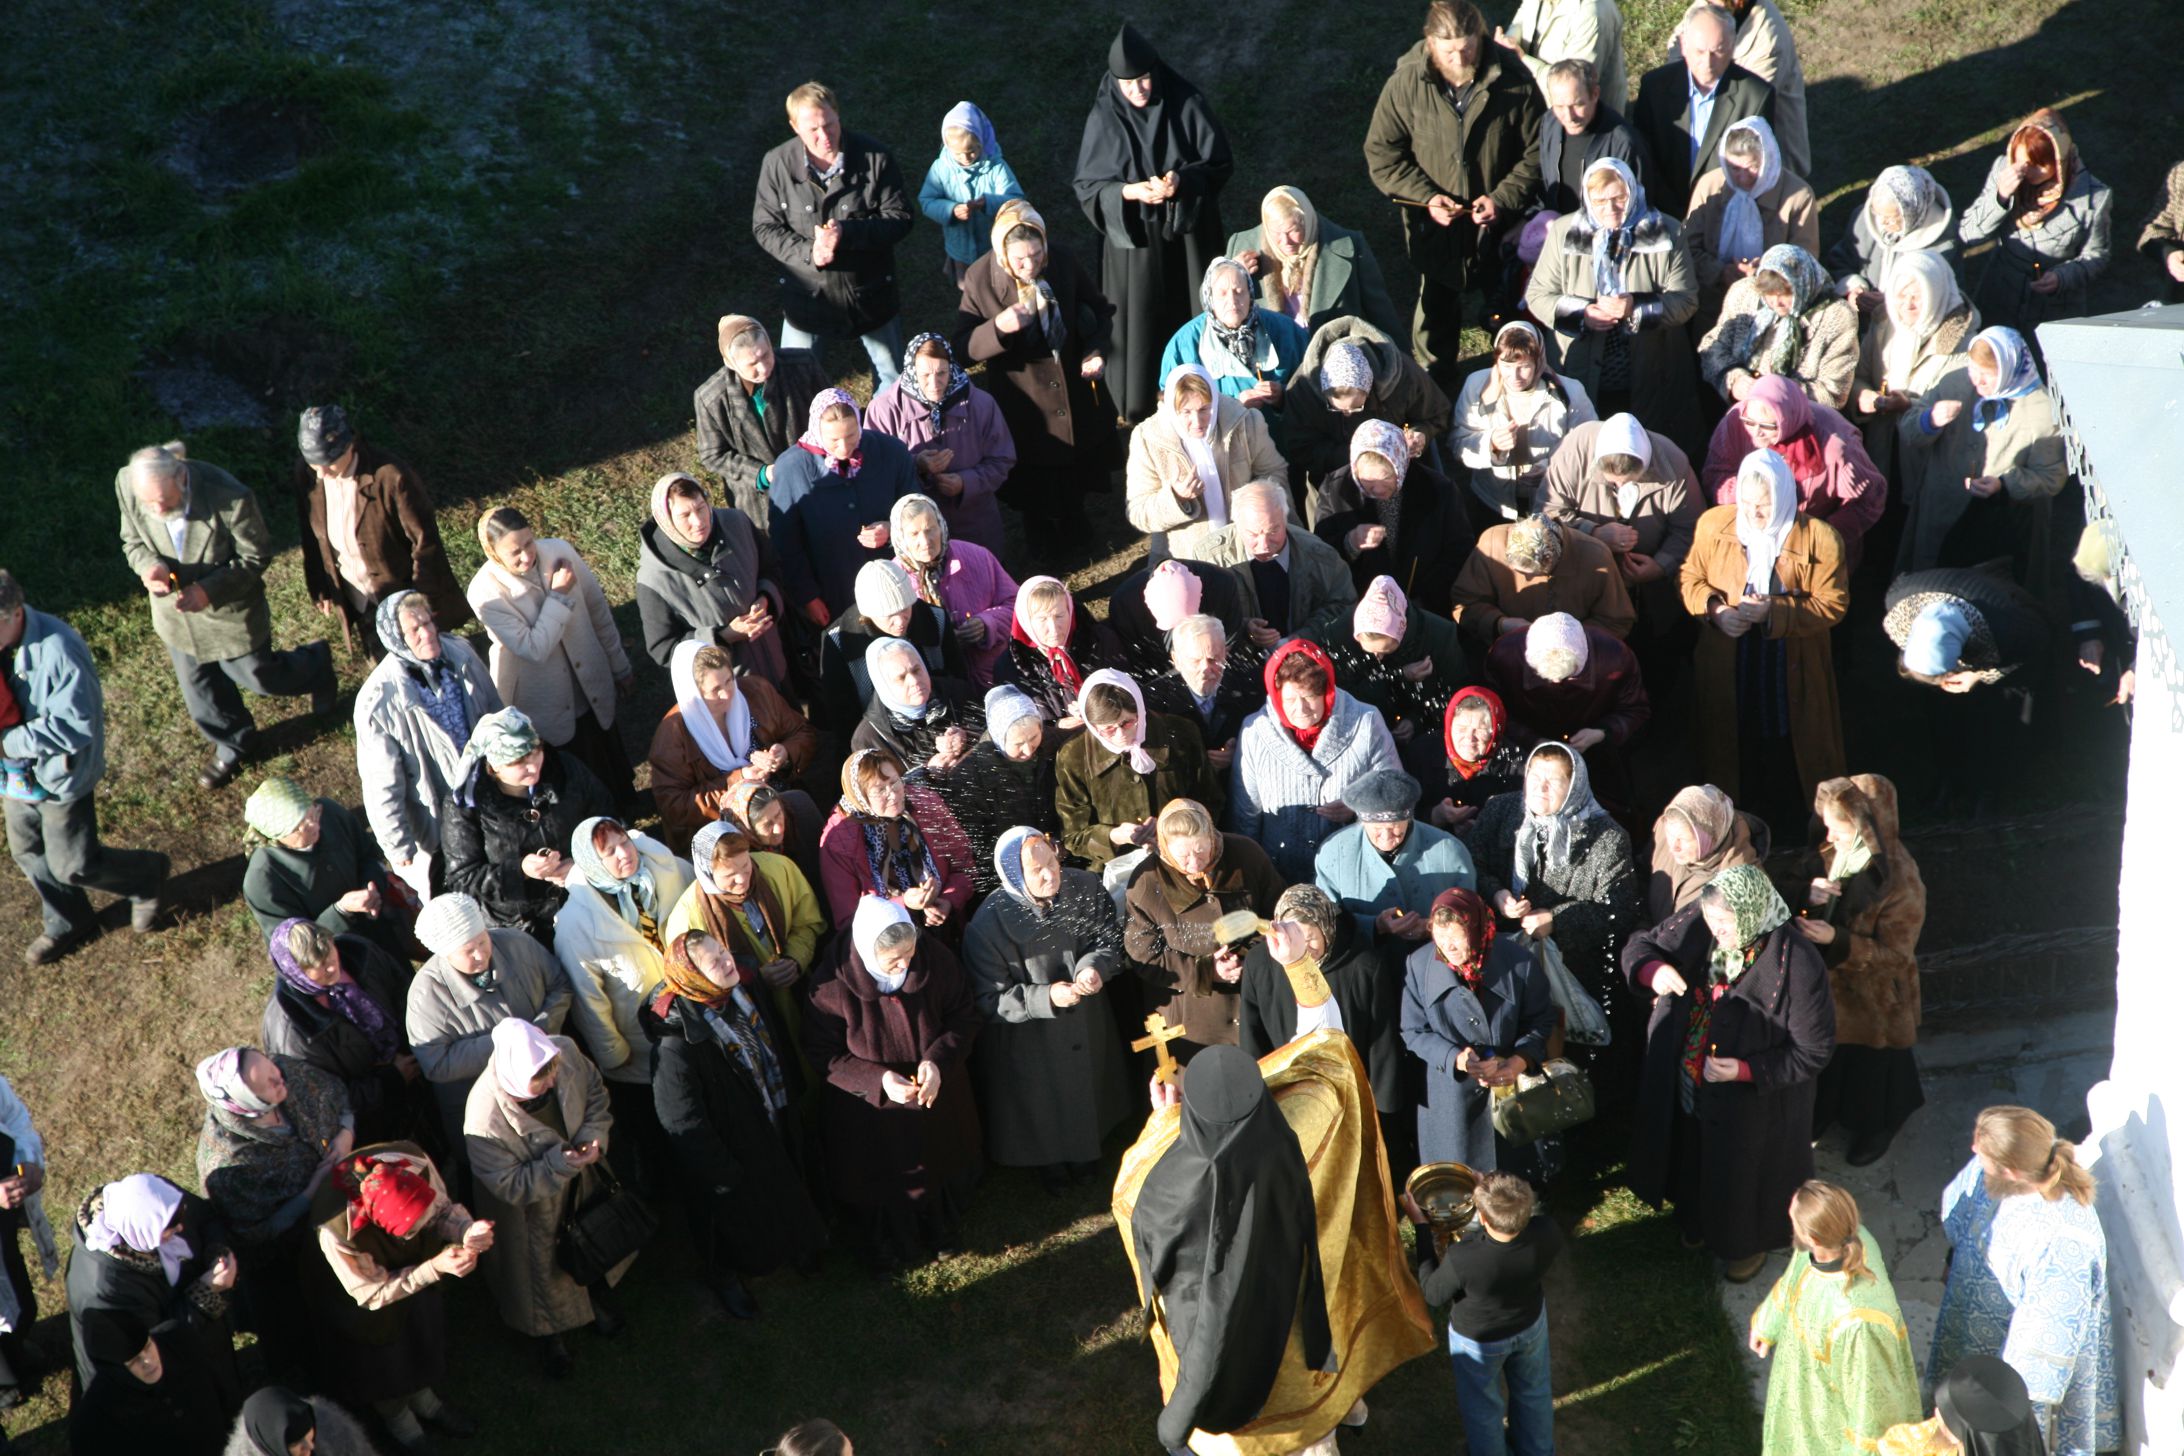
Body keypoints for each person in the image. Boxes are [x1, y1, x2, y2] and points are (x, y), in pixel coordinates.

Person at [1117, 1038, 1431, 1454]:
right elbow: (1330, 1058)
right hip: (1305, 1321)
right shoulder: (1306, 1122)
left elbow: (1129, 1202)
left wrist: (1164, 1121)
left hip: (1238, 1360)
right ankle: (1344, 1411)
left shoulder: (1162, 1187)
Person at [1622, 864, 1834, 1281]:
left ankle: (1743, 1246)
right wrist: (1653, 970)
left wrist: (1745, 1070)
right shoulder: (1702, 920)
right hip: (1691, 1076)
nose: (1716, 930)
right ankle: (1695, 1221)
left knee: (1742, 1178)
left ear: (1752, 913)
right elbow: (1641, 945)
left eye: (1725, 922)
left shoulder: (1798, 963)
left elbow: (1814, 1050)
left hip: (1756, 1105)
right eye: (1711, 919)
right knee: (1693, 1152)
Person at [1124, 1042, 1330, 1452]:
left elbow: (1135, 1205)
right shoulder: (1281, 1142)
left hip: (1202, 1294)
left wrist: (1162, 1124)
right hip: (1278, 1281)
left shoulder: (1175, 1180)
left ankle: (1184, 1431)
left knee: (1216, 1362)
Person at [115, 443, 337, 790]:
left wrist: (209, 591)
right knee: (201, 693)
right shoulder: (128, 483)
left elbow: (256, 555)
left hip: (229, 613)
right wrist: (149, 567)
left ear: (182, 478)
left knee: (260, 677)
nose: (156, 509)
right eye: (149, 503)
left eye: (164, 502)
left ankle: (316, 666)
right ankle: (235, 742)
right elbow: (132, 541)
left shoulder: (230, 498)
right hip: (177, 618)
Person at [644, 928, 824, 1318]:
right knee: (732, 1221)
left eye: (723, 951)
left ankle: (796, 1243)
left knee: (784, 1186)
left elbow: (774, 1043)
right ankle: (725, 1276)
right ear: (692, 976)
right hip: (730, 1149)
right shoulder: (675, 1047)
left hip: (769, 1117)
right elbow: (683, 1122)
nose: (727, 961)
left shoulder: (743, 990)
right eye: (715, 961)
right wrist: (723, 1173)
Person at [1364, 0, 1545, 382]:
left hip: (1500, 233)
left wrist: (1503, 199)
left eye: (1468, 48)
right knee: (1434, 323)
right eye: (1449, 52)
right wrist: (1426, 197)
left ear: (1480, 35)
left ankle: (1516, 387)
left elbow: (1537, 152)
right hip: (1435, 233)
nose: (1460, 59)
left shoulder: (1514, 81)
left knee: (1509, 319)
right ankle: (1435, 395)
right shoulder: (1407, 84)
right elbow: (1382, 154)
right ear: (1430, 43)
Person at [804, 896, 984, 1268]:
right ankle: (888, 1241)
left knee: (938, 1158)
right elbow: (823, 1053)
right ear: (867, 952)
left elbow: (963, 1016)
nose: (905, 965)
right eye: (893, 961)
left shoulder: (936, 959)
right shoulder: (829, 986)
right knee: (882, 1176)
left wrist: (937, 1061)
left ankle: (940, 1227)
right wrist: (879, 1079)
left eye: (910, 954)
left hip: (934, 1092)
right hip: (869, 1109)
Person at [0, 570, 169, 964]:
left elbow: (76, 727)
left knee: (73, 865)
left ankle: (146, 875)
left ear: (15, 613)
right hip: (15, 777)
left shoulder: (61, 651)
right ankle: (69, 920)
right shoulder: (7, 640)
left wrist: (6, 743)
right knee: (27, 849)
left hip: (60, 775)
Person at [1931, 1106, 2120, 1456]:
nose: (1974, 1151)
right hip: (1972, 1324)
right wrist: (1951, 1260)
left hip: (2011, 1374)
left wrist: (1995, 1409)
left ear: (2012, 1170)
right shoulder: (1987, 1171)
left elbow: (2037, 1364)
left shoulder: (2065, 1243)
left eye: (1983, 1152)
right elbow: (1961, 1218)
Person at [1073, 23, 1235, 424]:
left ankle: (1203, 392)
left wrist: (1181, 180)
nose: (1138, 90)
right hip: (1137, 243)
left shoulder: (1185, 101)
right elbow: (1089, 186)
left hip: (1188, 236)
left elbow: (1217, 162)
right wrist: (1130, 192)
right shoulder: (1105, 116)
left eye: (1144, 79)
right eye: (1128, 84)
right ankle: (1140, 402)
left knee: (1192, 308)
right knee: (1140, 318)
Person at [1680, 448, 1849, 814]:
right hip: (1730, 656)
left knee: (1790, 740)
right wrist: (1716, 611)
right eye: (1745, 503)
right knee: (1732, 734)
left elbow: (1833, 605)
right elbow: (1691, 578)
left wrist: (1775, 611)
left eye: (1763, 505)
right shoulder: (1713, 524)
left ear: (1784, 496)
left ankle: (1797, 820)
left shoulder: (1821, 538)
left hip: (1790, 661)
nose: (1753, 514)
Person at [964, 828, 1130, 1190]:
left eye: (1052, 863)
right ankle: (1049, 1161)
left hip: (1085, 1022)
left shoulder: (1085, 887)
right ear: (1014, 876)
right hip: (1030, 1038)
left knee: (1086, 1084)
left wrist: (1094, 967)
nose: (1049, 875)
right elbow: (988, 1000)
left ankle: (1087, 1154)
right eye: (1036, 870)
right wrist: (1046, 998)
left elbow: (1109, 940)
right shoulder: (987, 925)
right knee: (1041, 1098)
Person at [953, 198, 1117, 554]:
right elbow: (961, 348)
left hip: (1072, 390)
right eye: (1020, 260)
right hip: (1023, 400)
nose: (1030, 266)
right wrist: (998, 327)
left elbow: (1100, 311)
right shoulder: (980, 278)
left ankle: (1075, 522)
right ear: (1002, 254)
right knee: (1034, 476)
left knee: (1073, 468)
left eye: (1037, 255)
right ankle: (1039, 533)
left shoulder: (1063, 261)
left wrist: (1095, 350)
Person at [464, 1019, 625, 1379]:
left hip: (582, 1186)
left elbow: (595, 1093)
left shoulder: (563, 1051)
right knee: (542, 1277)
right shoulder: (483, 1119)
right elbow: (509, 1185)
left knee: (589, 1244)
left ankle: (592, 1303)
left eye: (552, 1073)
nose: (551, 1083)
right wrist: (560, 1164)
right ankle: (549, 1336)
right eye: (539, 1081)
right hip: (531, 1215)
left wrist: (593, 1135)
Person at [305, 1145, 486, 1451]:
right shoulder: (336, 1231)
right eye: (414, 1229)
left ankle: (426, 1401)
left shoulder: (413, 1163)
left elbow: (440, 1212)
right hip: (361, 1300)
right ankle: (401, 1422)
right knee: (384, 1364)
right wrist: (433, 1268)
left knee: (418, 1336)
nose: (426, 1227)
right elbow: (372, 1293)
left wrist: (466, 1231)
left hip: (411, 1273)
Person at [193, 1047, 355, 1379]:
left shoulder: (287, 1072)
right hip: (296, 1253)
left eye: (270, 1068)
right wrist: (310, 1193)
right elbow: (255, 1232)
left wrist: (346, 1133)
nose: (279, 1078)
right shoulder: (228, 1166)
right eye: (266, 1083)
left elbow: (339, 1096)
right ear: (246, 1104)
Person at [1471, 743, 1640, 1047]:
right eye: (1535, 777)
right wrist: (1496, 894)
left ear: (1574, 786)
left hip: (1570, 970)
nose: (1541, 787)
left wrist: (1556, 920)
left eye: (1554, 781)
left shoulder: (1608, 837)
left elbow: (1620, 911)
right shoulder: (1501, 810)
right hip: (1500, 961)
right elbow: (1473, 861)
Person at [553, 817, 691, 1189]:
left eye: (624, 842)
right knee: (665, 1138)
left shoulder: (669, 870)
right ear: (592, 863)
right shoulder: (575, 924)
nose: (624, 854)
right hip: (643, 1046)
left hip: (694, 1016)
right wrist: (614, 1054)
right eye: (609, 852)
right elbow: (589, 1001)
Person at [1793, 774, 1925, 1165]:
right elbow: (1796, 880)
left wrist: (1837, 939)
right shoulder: (1832, 851)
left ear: (1866, 828)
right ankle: (1827, 1113)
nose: (1829, 836)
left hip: (1875, 1001)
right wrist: (1808, 894)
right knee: (1831, 1060)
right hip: (1831, 991)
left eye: (1838, 827)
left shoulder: (1901, 882)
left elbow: (1896, 956)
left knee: (1874, 1072)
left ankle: (1879, 1125)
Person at [1523, 157, 1700, 445]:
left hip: (1652, 366)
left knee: (1646, 446)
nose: (1610, 208)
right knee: (1584, 447)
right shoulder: (1564, 231)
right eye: (1599, 200)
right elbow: (1538, 294)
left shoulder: (1666, 231)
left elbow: (1686, 300)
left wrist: (1636, 308)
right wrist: (1581, 314)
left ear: (1632, 191)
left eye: (1619, 198)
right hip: (1578, 365)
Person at [468, 507, 635, 805]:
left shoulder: (559, 551)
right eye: (515, 552)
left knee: (612, 766)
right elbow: (534, 648)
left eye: (529, 543)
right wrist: (558, 595)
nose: (527, 556)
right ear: (493, 553)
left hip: (589, 684)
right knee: (574, 780)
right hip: (545, 700)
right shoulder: (485, 593)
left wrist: (619, 665)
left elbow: (597, 610)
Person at [751, 81, 911, 385]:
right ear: (794, 126)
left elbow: (900, 217)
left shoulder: (876, 158)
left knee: (892, 383)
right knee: (793, 384)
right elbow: (765, 227)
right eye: (813, 130)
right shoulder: (776, 164)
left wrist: (847, 233)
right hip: (806, 298)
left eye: (830, 125)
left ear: (838, 115)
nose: (824, 136)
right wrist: (808, 253)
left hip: (870, 293)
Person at [1241, 885, 1414, 1166]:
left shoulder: (1364, 966)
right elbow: (1252, 1035)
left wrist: (1384, 1114)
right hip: (1286, 1100)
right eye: (1293, 938)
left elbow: (1382, 1046)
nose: (1302, 949)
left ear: (1327, 928)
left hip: (1348, 1101)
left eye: (1310, 938)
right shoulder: (1259, 963)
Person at [1748, 1181, 1923, 1456]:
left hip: (1827, 1417)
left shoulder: (1858, 1324)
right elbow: (1793, 1279)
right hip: (1801, 1381)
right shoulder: (1838, 1239)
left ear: (1814, 1238)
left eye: (1793, 1220)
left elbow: (1871, 1413)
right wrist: (1768, 1323)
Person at [353, 590, 501, 899]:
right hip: (441, 816)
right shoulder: (378, 702)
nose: (428, 633)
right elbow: (382, 784)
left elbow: (495, 713)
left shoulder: (460, 653)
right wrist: (397, 844)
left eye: (428, 622)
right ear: (396, 638)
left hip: (491, 792)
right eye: (415, 629)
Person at [291, 404, 470, 660]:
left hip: (402, 594)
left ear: (349, 445)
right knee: (388, 671)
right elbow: (310, 532)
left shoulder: (390, 477)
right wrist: (319, 583)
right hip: (360, 599)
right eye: (314, 464)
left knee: (430, 664)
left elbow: (425, 542)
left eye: (329, 463)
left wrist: (422, 602)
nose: (322, 473)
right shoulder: (307, 474)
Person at [1407, 1169, 1564, 1456]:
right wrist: (1491, 1195)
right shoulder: (1547, 1231)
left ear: (1482, 1218)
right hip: (1529, 1325)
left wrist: (1421, 1227)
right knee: (1533, 1393)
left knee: (1483, 1408)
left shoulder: (1464, 1257)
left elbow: (1433, 1293)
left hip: (1479, 1341)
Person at [1401, 885, 1556, 1176]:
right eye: (1440, 935)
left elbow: (1540, 1019)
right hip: (1450, 1099)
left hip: (1511, 1092)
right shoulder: (1418, 965)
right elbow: (1413, 1030)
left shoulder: (1519, 962)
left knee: (1513, 1184)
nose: (1447, 946)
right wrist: (1455, 1058)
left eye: (1456, 935)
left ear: (1474, 930)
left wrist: (1519, 1061)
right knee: (1457, 1183)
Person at [1894, 326, 2067, 583]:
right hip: (1942, 512)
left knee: (1990, 595)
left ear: (2008, 369)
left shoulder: (2041, 410)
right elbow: (1910, 428)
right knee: (1930, 586)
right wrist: (1929, 420)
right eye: (1974, 370)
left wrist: (2005, 484)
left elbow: (2051, 477)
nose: (1977, 381)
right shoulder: (1954, 382)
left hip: (2003, 530)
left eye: (1987, 374)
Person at [404, 891, 572, 1147]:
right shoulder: (426, 995)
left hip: (549, 1081)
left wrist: (538, 1032)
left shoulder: (518, 944)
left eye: (483, 941)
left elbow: (560, 984)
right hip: (491, 1111)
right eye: (468, 951)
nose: (481, 955)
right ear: (446, 955)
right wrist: (508, 1045)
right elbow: (436, 1063)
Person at [1123, 797, 1284, 1055]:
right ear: (1164, 847)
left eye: (1201, 851)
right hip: (1192, 1016)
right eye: (1183, 856)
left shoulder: (1247, 855)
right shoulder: (1146, 883)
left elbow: (1277, 915)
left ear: (1212, 837)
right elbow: (1144, 954)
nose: (1195, 863)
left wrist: (1247, 958)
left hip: (1254, 998)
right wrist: (1207, 972)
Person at [439, 707, 612, 945]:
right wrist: (519, 871)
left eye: (535, 752)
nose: (533, 766)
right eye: (519, 761)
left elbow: (607, 822)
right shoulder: (465, 805)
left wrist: (583, 862)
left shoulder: (566, 770)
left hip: (587, 901)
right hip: (522, 929)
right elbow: (462, 880)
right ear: (495, 766)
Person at [1232, 639, 1401, 881]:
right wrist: (1250, 877)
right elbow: (1245, 814)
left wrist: (1358, 808)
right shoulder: (1255, 731)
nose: (1301, 709)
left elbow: (1395, 796)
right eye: (1290, 700)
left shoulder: (1366, 721)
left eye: (1310, 696)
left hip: (1350, 871)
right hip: (1278, 874)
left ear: (1326, 692)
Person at [660, 822, 828, 1054]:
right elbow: (697, 986)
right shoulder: (686, 919)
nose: (742, 879)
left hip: (807, 994)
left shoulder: (779, 869)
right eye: (729, 875)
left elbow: (808, 921)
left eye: (746, 866)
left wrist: (796, 958)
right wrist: (754, 979)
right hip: (749, 1027)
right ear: (707, 873)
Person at [260, 918, 428, 1148]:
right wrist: (391, 1080)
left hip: (419, 1063)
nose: (332, 969)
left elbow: (403, 991)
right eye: (320, 967)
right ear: (296, 972)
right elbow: (322, 1096)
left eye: (331, 957)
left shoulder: (361, 954)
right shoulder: (292, 1030)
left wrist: (416, 1043)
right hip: (376, 1117)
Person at [65, 1173, 236, 1398]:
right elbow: (157, 1344)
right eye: (170, 1226)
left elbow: (204, 1217)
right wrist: (206, 1293)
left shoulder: (156, 1202)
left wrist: (217, 1252)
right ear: (142, 1232)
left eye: (180, 1214)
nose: (181, 1227)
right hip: (160, 1384)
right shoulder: (108, 1289)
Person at [768, 389, 921, 626]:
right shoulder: (791, 468)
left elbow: (917, 507)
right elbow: (785, 542)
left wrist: (893, 529)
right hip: (834, 589)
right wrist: (808, 596)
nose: (844, 448)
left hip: (896, 580)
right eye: (833, 440)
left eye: (851, 435)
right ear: (817, 431)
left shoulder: (891, 451)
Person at [1958, 108, 2112, 340]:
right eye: (2021, 160)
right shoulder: (2004, 171)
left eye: (2039, 164)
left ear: (2058, 160)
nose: (2026, 171)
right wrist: (2000, 197)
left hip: (2053, 309)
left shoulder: (2094, 198)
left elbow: (2097, 255)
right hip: (2000, 297)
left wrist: (2062, 277)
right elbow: (1967, 235)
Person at [648, 640, 816, 852]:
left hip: (780, 810)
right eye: (715, 690)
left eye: (729, 680)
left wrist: (785, 753)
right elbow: (674, 805)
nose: (727, 694)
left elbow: (803, 732)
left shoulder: (757, 692)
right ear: (694, 693)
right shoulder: (672, 736)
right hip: (727, 840)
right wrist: (739, 781)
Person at [1539, 413, 1700, 631]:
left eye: (1628, 481)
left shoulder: (1673, 463)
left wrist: (1661, 565)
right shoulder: (1574, 451)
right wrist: (1593, 533)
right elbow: (1547, 515)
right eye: (1613, 482)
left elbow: (1690, 528)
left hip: (1650, 592)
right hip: (1582, 579)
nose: (1620, 487)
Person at [1701, 373, 1886, 562]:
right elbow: (1715, 475)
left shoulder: (1834, 444)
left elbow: (1870, 498)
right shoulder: (1737, 421)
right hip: (1751, 544)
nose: (1756, 433)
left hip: (1813, 552)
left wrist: (1820, 535)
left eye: (1767, 426)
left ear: (1787, 419)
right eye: (1750, 422)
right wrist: (1753, 498)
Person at [863, 335, 1018, 556]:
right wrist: (916, 465)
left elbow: (1002, 459)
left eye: (942, 373)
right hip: (916, 536)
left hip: (975, 527)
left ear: (951, 367)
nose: (934, 384)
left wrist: (966, 482)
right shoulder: (883, 411)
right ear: (911, 371)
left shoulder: (981, 404)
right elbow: (876, 471)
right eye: (925, 375)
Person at [1057, 669, 1219, 873]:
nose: (1120, 735)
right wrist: (1114, 836)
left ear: (1140, 711)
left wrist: (1176, 827)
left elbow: (1211, 800)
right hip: (1116, 870)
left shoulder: (1181, 734)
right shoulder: (1073, 755)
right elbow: (1073, 836)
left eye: (1127, 723)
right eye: (1108, 729)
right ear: (1093, 726)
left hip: (1184, 861)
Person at [1485, 611, 1650, 810]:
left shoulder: (1616, 657)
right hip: (1525, 751)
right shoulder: (1505, 655)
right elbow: (1493, 713)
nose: (1556, 682)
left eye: (1567, 676)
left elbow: (1635, 709)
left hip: (1597, 752)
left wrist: (1601, 733)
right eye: (1544, 677)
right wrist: (1532, 741)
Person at [1311, 418, 1477, 616]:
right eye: (1368, 481)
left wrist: (1422, 601)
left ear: (1402, 465)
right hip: (1360, 609)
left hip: (1424, 608)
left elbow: (1458, 550)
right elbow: (1320, 552)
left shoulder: (1439, 490)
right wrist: (1350, 543)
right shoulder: (1336, 490)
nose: (1378, 489)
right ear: (1355, 469)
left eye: (1387, 478)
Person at [1125, 364, 1289, 564]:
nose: (1197, 421)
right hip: (1186, 558)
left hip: (1250, 547)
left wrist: (1255, 501)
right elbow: (1138, 512)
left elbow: (1274, 472)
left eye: (1204, 409)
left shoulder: (1245, 422)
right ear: (1172, 409)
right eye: (1186, 412)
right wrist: (1176, 497)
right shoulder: (1148, 439)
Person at [633, 470, 785, 678]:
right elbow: (664, 649)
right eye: (685, 515)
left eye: (701, 508)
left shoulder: (738, 523)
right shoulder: (653, 579)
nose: (698, 521)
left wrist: (765, 599)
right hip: (730, 687)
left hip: (779, 663)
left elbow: (772, 567)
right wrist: (724, 636)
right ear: (665, 520)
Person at [1631, 2, 1776, 218]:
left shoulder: (1756, 96)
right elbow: (1644, 157)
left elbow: (1757, 167)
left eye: (1717, 51)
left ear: (1732, 46)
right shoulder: (1654, 87)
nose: (1707, 63)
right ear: (1683, 45)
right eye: (1699, 51)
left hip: (1724, 214)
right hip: (1662, 214)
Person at [241, 778, 406, 963]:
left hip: (384, 937)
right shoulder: (263, 880)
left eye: (313, 814)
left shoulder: (330, 813)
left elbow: (368, 853)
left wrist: (371, 887)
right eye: (299, 828)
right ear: (277, 836)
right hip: (338, 964)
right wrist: (341, 911)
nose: (314, 826)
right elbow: (292, 948)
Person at [1451, 321, 1599, 528]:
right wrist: (1491, 445)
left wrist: (1551, 468)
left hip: (1551, 504)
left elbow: (1588, 449)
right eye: (1506, 366)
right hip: (1493, 502)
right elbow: (1458, 444)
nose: (1515, 377)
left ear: (1539, 360)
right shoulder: (1476, 386)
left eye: (1525, 366)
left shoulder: (1570, 393)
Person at [1848, 250, 1979, 479]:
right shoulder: (1883, 324)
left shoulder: (1962, 345)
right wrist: (1863, 396)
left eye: (1917, 296)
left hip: (1925, 466)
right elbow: (1859, 377)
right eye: (1900, 295)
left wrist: (1908, 406)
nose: (1907, 305)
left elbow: (1952, 414)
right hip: (1881, 454)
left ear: (1935, 294)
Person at [692, 316, 833, 528]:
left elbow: (832, 410)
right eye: (752, 364)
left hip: (816, 476)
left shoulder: (802, 364)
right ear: (730, 363)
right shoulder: (711, 399)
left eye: (766, 355)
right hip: (760, 501)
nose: (764, 368)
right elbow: (713, 454)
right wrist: (761, 473)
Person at [1287, 316, 1453, 494]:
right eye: (1336, 408)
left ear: (1369, 387)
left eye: (1356, 407)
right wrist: (1358, 457)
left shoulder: (1405, 376)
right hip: (1336, 481)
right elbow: (1300, 447)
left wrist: (1420, 433)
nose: (1347, 414)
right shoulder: (1302, 390)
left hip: (1400, 474)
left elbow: (1437, 413)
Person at [1324, 574, 1470, 773]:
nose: (1377, 656)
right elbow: (1342, 697)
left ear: (1401, 631)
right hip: (1359, 735)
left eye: (1385, 650)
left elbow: (1457, 697)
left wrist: (1417, 721)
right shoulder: (1339, 634)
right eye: (1370, 651)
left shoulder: (1439, 636)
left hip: (1426, 740)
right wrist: (1399, 676)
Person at [820, 747, 975, 933]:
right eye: (880, 790)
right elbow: (848, 919)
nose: (893, 795)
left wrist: (949, 899)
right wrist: (904, 904)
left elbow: (965, 865)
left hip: (948, 927)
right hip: (890, 940)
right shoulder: (840, 840)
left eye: (894, 783)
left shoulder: (926, 803)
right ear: (861, 797)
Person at [1684, 117, 1818, 332]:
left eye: (1752, 168)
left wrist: (1767, 273)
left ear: (1767, 159)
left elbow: (1806, 260)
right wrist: (1721, 272)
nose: (1742, 178)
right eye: (1734, 168)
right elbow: (1688, 249)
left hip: (1773, 312)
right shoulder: (1709, 187)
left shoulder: (1798, 196)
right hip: (1712, 310)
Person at [1315, 767, 1476, 943]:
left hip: (1433, 953)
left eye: (1394, 827)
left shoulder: (1450, 851)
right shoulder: (1334, 854)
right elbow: (1327, 921)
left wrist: (1433, 927)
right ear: (1362, 822)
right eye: (1377, 828)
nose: (1386, 836)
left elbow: (1472, 914)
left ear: (1409, 819)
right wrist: (1375, 925)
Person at [1226, 184, 1403, 341]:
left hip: (1334, 357)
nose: (1286, 242)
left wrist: (1401, 358)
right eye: (1276, 233)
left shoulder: (1351, 246)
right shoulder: (1241, 249)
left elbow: (1380, 311)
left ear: (1308, 221)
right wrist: (1231, 274)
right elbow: (1217, 311)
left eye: (1293, 230)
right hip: (1271, 361)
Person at [1699, 243, 1860, 409]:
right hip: (1742, 411)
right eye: (1769, 294)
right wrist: (1734, 379)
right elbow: (1712, 347)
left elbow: (1834, 392)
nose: (1776, 302)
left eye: (1785, 294)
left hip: (1804, 417)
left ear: (1802, 285)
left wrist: (1777, 391)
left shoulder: (1836, 315)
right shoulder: (1745, 293)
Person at [1452, 512, 1637, 651]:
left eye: (1536, 574)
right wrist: (1500, 624)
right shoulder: (1492, 543)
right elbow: (1466, 604)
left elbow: (1616, 621)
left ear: (1558, 559)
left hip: (1573, 664)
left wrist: (1568, 638)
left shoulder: (1596, 556)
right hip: (1508, 656)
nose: (1528, 579)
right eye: (1519, 572)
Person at [1197, 481, 1360, 639]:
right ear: (1236, 525)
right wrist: (1243, 627)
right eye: (1253, 534)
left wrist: (1303, 637)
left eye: (1273, 531)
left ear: (1285, 519)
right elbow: (1200, 619)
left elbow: (1343, 605)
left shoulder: (1320, 555)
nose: (1264, 545)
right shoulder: (1210, 558)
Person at [1158, 257, 1310, 426]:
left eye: (1239, 291)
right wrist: (1232, 407)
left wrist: (1283, 396)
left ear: (1250, 294)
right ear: (1209, 298)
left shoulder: (1286, 330)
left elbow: (1314, 391)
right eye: (1222, 294)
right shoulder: (1184, 344)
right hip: (1221, 441)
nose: (1232, 300)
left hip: (1280, 439)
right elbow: (1173, 410)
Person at [887, 493, 1018, 689]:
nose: (925, 541)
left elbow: (1019, 606)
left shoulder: (977, 556)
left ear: (941, 526)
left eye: (930, 529)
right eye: (914, 534)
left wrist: (987, 624)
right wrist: (944, 643)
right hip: (939, 688)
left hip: (997, 675)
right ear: (900, 538)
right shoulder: (894, 580)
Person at [820, 558, 971, 727]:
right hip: (878, 733)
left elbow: (959, 680)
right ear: (868, 613)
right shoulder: (838, 641)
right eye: (889, 615)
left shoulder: (935, 619)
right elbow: (841, 713)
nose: (900, 621)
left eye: (905, 609)